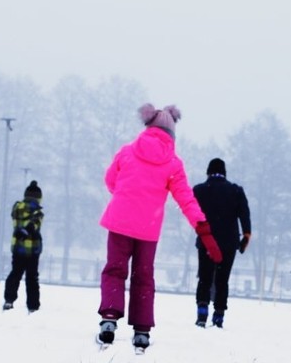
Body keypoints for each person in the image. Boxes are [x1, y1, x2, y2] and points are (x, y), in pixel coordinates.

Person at [98, 104, 222, 350]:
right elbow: (186, 198)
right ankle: (142, 330)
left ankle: (109, 319)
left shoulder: (127, 152)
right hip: (148, 228)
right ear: (172, 134)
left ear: (148, 127)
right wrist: (203, 228)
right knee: (143, 276)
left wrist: (123, 196)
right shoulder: (173, 164)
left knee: (114, 270)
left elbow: (110, 180)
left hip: (119, 222)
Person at [191, 157, 252, 328]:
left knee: (204, 277)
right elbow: (244, 214)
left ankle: (202, 312)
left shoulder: (199, 190)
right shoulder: (236, 191)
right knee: (222, 279)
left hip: (206, 240)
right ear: (224, 173)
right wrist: (246, 236)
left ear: (208, 172)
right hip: (229, 242)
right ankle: (219, 316)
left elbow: (191, 212)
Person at [3, 181, 44, 313]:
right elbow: (35, 225)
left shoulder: (17, 208)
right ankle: (33, 306)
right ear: (38, 197)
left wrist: (22, 230)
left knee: (15, 274)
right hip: (32, 250)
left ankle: (9, 300)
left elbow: (16, 220)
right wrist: (29, 228)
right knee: (32, 278)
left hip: (18, 248)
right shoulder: (37, 211)